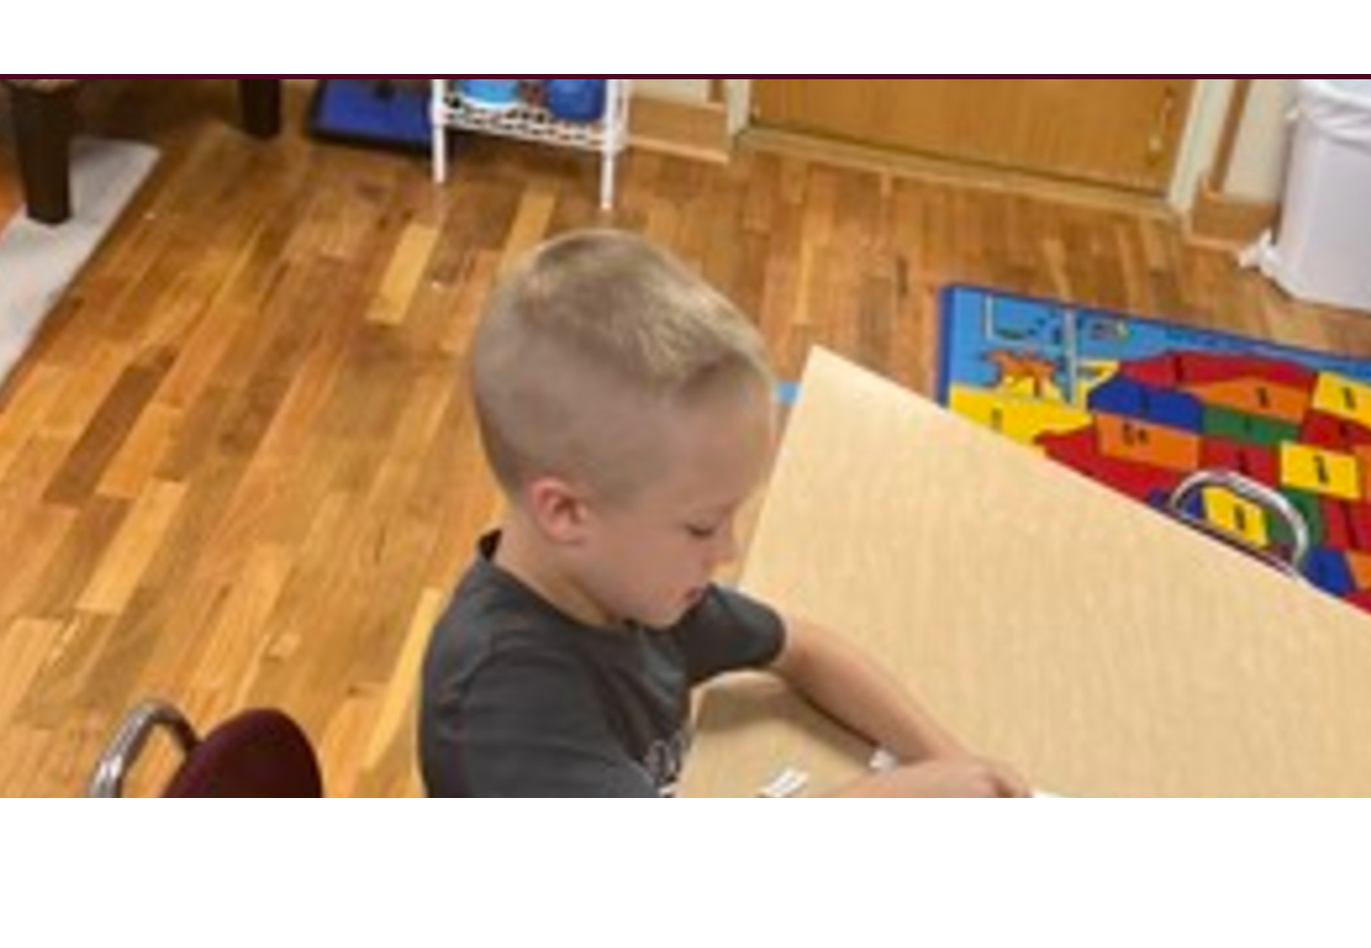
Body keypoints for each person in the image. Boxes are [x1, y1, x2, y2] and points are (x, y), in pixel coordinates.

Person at [420, 229, 1029, 797]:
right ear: (567, 512)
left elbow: (802, 647)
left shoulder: (630, 587)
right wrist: (897, 795)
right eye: (702, 526)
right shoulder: (500, 706)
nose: (727, 552)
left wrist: (951, 764)